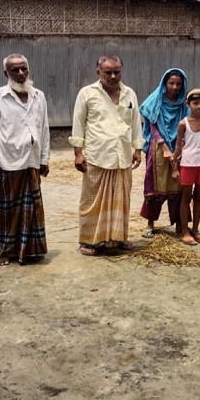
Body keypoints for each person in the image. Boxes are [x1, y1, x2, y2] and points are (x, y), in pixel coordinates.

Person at [70, 56, 143, 256]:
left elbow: (136, 123)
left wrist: (137, 149)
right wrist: (78, 152)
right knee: (92, 201)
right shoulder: (87, 94)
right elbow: (79, 123)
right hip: (97, 155)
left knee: (121, 200)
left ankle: (117, 239)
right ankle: (88, 241)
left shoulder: (130, 94)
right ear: (98, 73)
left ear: (121, 71)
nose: (112, 76)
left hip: (122, 157)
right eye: (107, 72)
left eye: (116, 72)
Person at [0, 54, 50, 266]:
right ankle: (5, 251)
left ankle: (32, 250)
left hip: (32, 160)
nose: (20, 74)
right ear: (6, 74)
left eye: (23, 69)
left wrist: (45, 158)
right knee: (6, 209)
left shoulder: (38, 96)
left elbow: (44, 128)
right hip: (7, 160)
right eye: (15, 70)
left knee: (33, 208)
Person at [138, 68, 189, 238]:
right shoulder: (155, 100)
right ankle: (150, 224)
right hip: (158, 148)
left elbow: (188, 125)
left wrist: (179, 148)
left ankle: (180, 224)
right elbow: (153, 126)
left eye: (178, 84)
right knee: (154, 186)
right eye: (171, 83)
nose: (175, 87)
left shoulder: (184, 104)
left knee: (179, 185)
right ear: (164, 83)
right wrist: (166, 148)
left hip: (178, 147)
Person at [172, 88, 200, 245]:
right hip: (187, 164)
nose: (199, 106)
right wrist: (175, 167)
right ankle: (184, 230)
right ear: (188, 104)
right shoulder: (183, 124)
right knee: (185, 197)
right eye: (195, 103)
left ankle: (195, 229)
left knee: (198, 197)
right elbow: (178, 147)